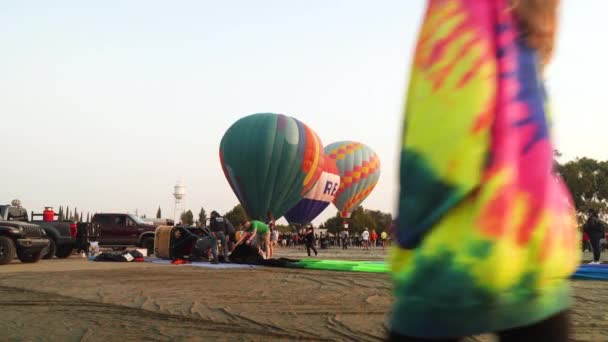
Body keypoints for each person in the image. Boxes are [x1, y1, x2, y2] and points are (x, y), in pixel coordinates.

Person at [389, 1, 579, 341]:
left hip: (456, 255)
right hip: (533, 253)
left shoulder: (462, 7)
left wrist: (411, 225)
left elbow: (445, 125)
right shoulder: (523, 22)